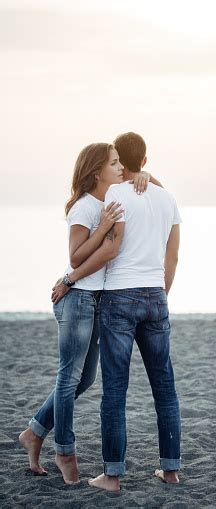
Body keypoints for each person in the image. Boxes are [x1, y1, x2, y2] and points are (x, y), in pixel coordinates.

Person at [52, 132, 181, 492]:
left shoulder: (116, 193)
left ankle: (111, 476)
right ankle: (170, 470)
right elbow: (172, 257)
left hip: (119, 299)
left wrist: (71, 276)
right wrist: (161, 295)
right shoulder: (167, 198)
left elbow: (113, 244)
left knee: (115, 391)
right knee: (165, 388)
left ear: (120, 164)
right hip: (156, 295)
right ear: (146, 158)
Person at [19, 142, 153, 484]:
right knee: (68, 378)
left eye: (122, 162)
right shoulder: (84, 208)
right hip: (77, 297)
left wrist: (147, 175)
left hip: (94, 299)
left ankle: (35, 432)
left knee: (84, 379)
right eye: (114, 163)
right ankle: (64, 451)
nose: (121, 167)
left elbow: (150, 186)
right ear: (97, 172)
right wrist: (99, 230)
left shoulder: (108, 200)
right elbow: (77, 257)